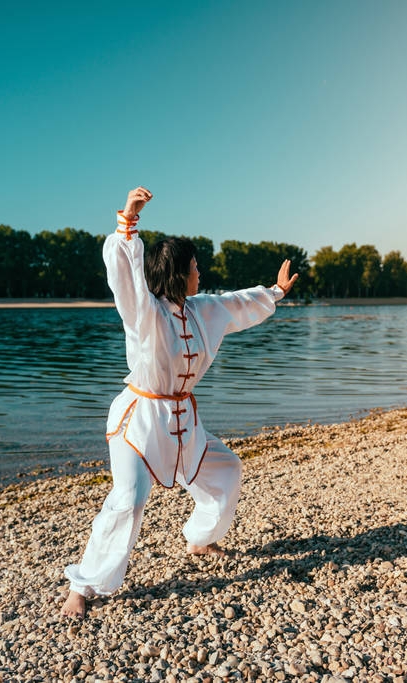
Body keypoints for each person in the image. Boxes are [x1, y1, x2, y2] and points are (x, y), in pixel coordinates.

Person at [60, 186, 298, 618]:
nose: (199, 272)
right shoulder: (144, 312)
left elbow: (238, 304)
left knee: (226, 470)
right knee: (128, 499)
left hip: (184, 422)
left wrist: (275, 292)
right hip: (141, 422)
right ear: (177, 272)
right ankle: (85, 585)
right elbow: (125, 278)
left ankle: (200, 538)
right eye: (194, 266)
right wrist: (129, 223)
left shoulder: (203, 309)